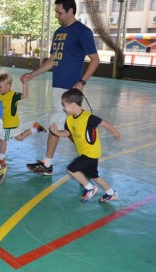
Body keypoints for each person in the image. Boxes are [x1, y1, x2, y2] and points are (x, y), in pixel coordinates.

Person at [21, 0, 100, 175]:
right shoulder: (58, 33)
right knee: (69, 128)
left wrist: (82, 82)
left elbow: (95, 59)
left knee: (56, 126)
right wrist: (32, 74)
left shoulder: (82, 31)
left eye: (59, 13)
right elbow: (52, 61)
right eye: (56, 13)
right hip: (58, 87)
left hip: (70, 89)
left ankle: (51, 164)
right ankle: (85, 161)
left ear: (70, 11)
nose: (57, 16)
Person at [49, 88, 120, 202]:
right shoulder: (70, 118)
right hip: (84, 152)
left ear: (73, 105)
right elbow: (67, 133)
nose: (63, 108)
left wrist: (116, 134)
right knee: (94, 176)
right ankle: (111, 193)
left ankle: (90, 188)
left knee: (71, 169)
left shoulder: (88, 118)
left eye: (64, 105)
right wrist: (56, 132)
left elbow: (104, 123)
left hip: (91, 153)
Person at [0, 73, 47, 166]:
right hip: (9, 122)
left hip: (10, 124)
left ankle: (1, 159)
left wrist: (25, 83)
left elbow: (25, 95)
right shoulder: (0, 96)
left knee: (3, 140)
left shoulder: (13, 95)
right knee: (20, 138)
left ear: (8, 86)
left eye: (0, 86)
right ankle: (35, 128)